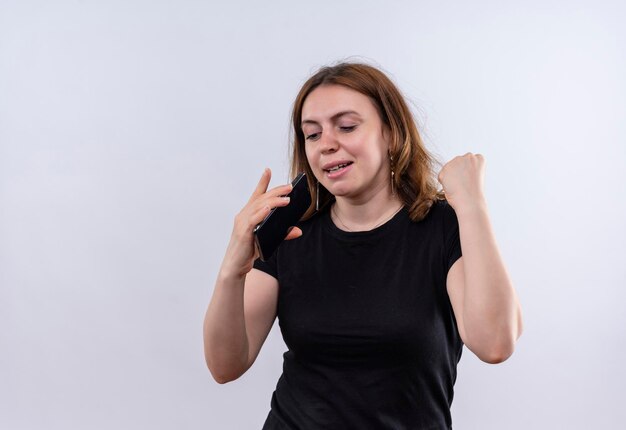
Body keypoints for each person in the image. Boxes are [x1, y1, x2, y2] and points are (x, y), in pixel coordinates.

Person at [203, 62, 523, 429]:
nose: (327, 143)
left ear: (390, 132)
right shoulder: (291, 234)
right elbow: (224, 366)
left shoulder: (444, 227)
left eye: (347, 126)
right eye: (312, 134)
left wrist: (472, 204)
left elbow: (495, 343)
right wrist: (233, 268)